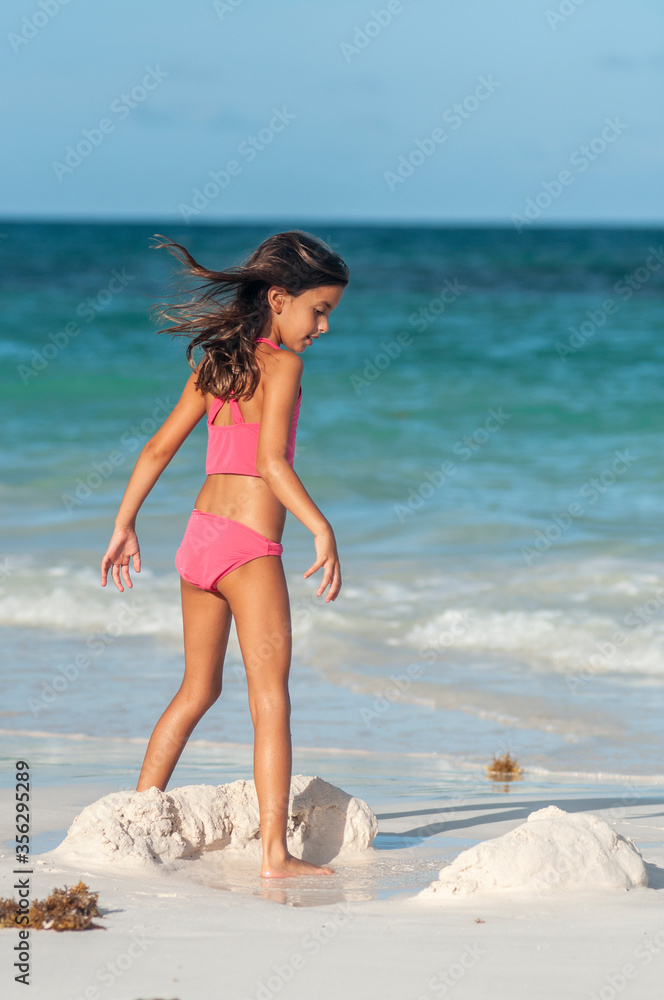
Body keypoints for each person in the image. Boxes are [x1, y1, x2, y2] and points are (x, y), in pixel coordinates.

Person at [100, 230, 349, 878]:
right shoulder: (286, 367)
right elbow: (270, 462)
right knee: (271, 698)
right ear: (278, 297)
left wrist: (124, 524)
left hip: (199, 540)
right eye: (318, 310)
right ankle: (274, 856)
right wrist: (320, 526)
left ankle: (135, 815)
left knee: (195, 689)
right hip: (247, 550)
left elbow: (157, 448)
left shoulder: (215, 359)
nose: (322, 327)